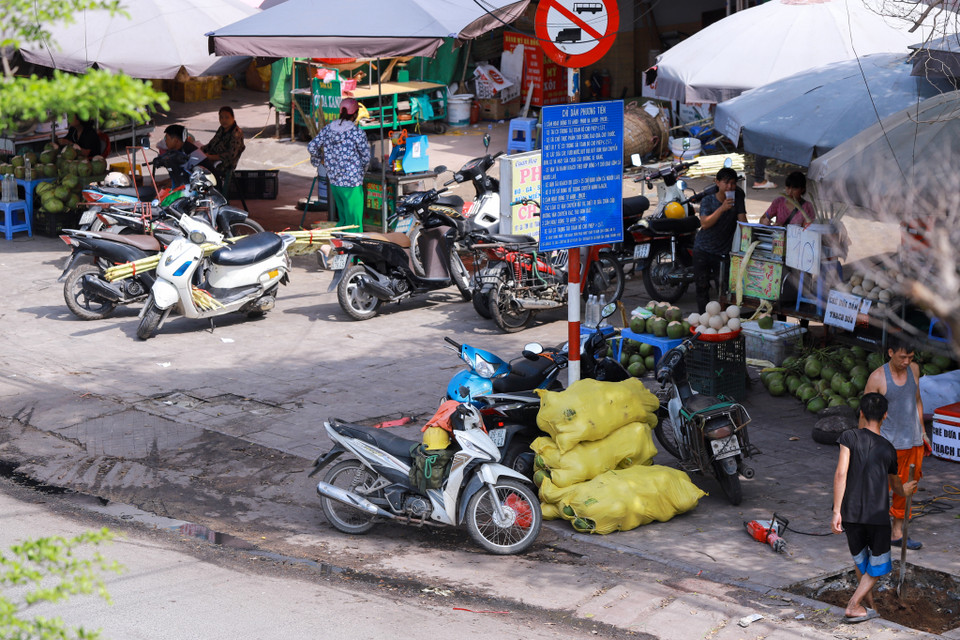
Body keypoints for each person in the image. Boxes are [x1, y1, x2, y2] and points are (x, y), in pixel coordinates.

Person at [831, 393, 917, 624]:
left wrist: (837, 511)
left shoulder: (848, 436)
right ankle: (854, 605)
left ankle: (870, 605)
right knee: (879, 565)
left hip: (850, 513)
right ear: (885, 416)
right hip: (876, 516)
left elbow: (841, 473)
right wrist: (905, 490)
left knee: (862, 561)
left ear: (861, 412)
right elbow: (895, 483)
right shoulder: (888, 449)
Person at [863, 334, 930, 550]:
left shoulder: (914, 370)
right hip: (888, 444)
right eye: (902, 357)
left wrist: (922, 431)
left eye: (910, 357)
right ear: (890, 353)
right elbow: (866, 413)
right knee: (879, 490)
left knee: (906, 489)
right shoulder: (878, 378)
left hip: (912, 441)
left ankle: (897, 533)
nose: (906, 362)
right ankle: (873, 532)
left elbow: (917, 400)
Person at [308, 98, 370, 233]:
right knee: (354, 223)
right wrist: (362, 172)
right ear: (355, 114)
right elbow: (366, 157)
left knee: (343, 220)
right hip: (352, 183)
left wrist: (319, 160)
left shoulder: (329, 129)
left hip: (335, 181)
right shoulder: (356, 133)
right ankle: (354, 252)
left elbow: (312, 146)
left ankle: (341, 249)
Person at [692, 166, 747, 314]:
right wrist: (722, 209)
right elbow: (705, 223)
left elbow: (743, 223)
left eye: (733, 183)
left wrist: (747, 244)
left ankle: (724, 321)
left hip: (723, 252)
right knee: (701, 287)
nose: (730, 186)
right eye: (726, 182)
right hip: (702, 249)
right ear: (717, 182)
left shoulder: (738, 197)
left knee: (723, 289)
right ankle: (703, 321)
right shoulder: (708, 200)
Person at [201, 106, 246, 183]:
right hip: (211, 158)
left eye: (227, 117)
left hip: (223, 166)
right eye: (221, 117)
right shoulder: (222, 129)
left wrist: (210, 157)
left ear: (233, 117)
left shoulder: (236, 133)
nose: (223, 120)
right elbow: (211, 144)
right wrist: (200, 149)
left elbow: (230, 156)